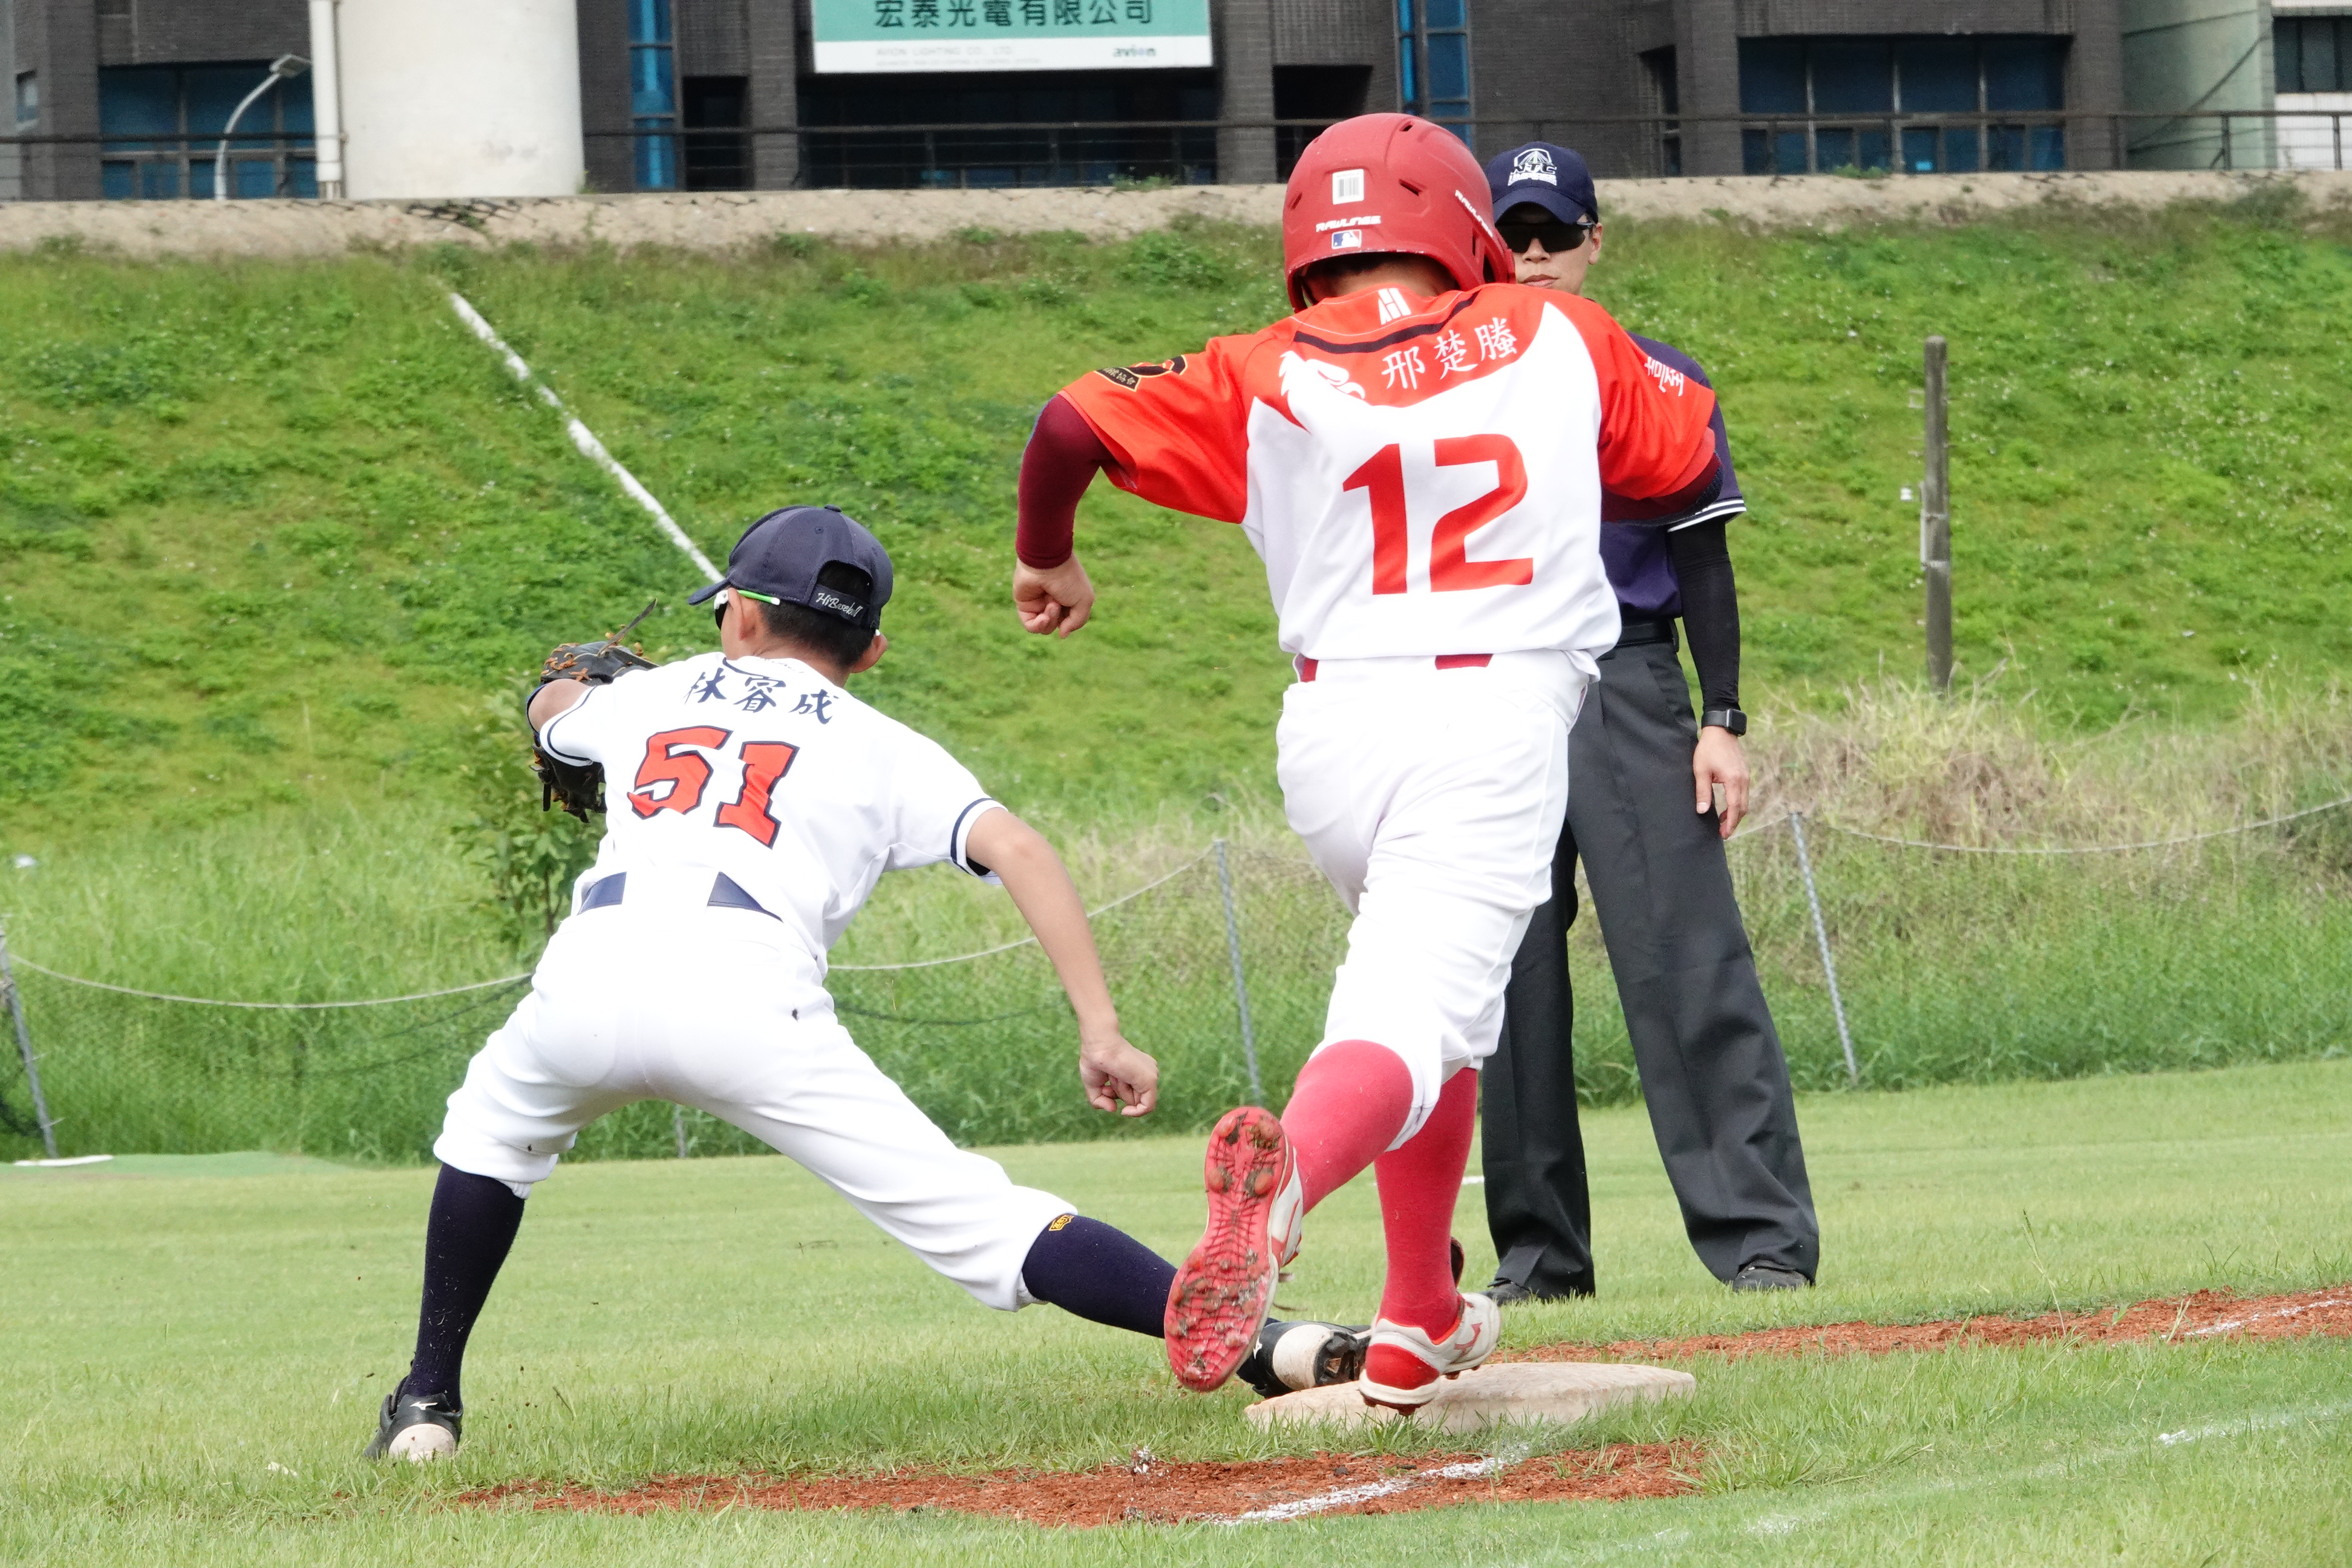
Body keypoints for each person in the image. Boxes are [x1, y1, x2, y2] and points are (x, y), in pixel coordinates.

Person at [364, 506, 1357, 1461]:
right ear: (871, 651)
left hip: (590, 973)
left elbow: (554, 712)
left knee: (490, 1139)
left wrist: (565, 692)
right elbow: (1018, 848)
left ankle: (426, 1405)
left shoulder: (652, 694)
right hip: (746, 995)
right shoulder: (882, 745)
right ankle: (1273, 1346)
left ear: (737, 616)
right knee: (981, 1219)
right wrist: (1102, 1028)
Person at [1007, 114, 1723, 1410]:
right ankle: (1284, 1187)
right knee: (1403, 1020)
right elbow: (1676, 456)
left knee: (1447, 1016)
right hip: (1492, 718)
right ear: (1460, 223)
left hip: (1333, 731)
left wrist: (1046, 554)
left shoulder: (1259, 366)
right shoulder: (1560, 329)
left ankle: (1418, 1316)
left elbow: (1067, 424)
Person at [1477, 142, 1820, 1302]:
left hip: (1622, 675)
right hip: (1488, 681)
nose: (1533, 257)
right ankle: (1538, 1258)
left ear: (1595, 243)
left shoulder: (1657, 380)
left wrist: (1722, 717)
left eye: (1553, 235)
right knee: (1506, 976)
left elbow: (1704, 560)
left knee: (1684, 959)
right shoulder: (1448, 388)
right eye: (1512, 237)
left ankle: (1761, 1239)